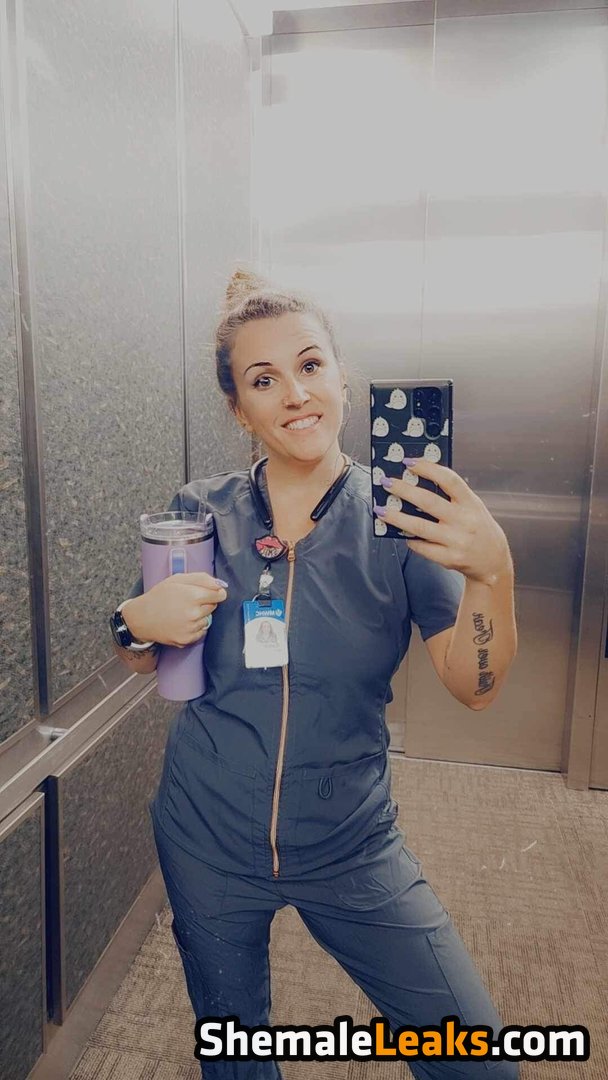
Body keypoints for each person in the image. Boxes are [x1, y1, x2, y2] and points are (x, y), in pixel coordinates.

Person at [113, 268, 518, 1079]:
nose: (295, 394)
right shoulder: (200, 511)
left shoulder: (399, 518)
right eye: (264, 379)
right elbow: (148, 648)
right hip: (205, 835)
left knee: (475, 1059)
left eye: (310, 366)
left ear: (342, 380)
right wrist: (132, 623)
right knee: (235, 1053)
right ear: (240, 408)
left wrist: (492, 572)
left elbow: (473, 687)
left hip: (349, 841)